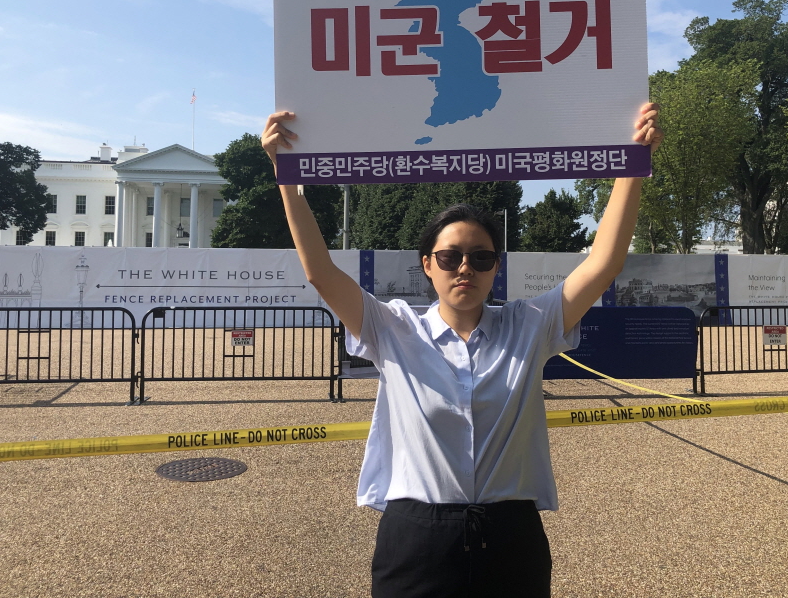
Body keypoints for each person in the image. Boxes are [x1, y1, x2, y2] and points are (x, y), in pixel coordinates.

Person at [262, 104, 663, 598]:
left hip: (511, 539)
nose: (465, 268)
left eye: (481, 257)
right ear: (427, 264)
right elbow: (320, 273)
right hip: (417, 541)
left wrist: (632, 166)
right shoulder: (393, 327)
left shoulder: (529, 324)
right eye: (450, 257)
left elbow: (604, 263)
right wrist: (287, 177)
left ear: (497, 266)